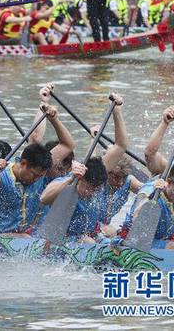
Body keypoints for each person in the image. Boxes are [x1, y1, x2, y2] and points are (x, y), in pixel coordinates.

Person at [39, 94, 128, 242]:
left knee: (117, 240)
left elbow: (120, 146)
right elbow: (44, 198)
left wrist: (117, 112)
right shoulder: (68, 181)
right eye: (88, 188)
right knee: (88, 241)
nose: (90, 193)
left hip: (89, 236)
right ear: (81, 179)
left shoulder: (96, 172)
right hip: (59, 240)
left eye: (95, 189)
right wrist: (72, 178)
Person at [0, 103, 75, 236]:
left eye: (40, 177)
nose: (36, 180)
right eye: (34, 175)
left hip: (23, 237)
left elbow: (67, 145)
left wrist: (54, 120)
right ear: (23, 163)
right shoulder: (1, 173)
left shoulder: (41, 168)